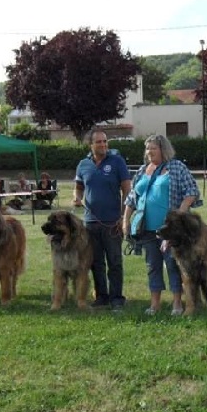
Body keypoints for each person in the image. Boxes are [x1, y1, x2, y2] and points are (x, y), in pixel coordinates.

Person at [122, 134, 202, 316]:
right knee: (152, 266)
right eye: (148, 148)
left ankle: (177, 304)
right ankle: (155, 304)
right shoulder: (143, 170)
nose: (149, 152)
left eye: (154, 148)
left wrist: (180, 213)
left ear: (163, 149)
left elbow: (192, 191)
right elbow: (132, 198)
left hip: (170, 230)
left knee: (173, 264)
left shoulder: (177, 167)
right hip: (147, 229)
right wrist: (126, 220)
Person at [74, 130, 132, 312]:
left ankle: (117, 298)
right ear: (90, 144)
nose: (103, 145)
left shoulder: (117, 162)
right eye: (99, 142)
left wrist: (123, 217)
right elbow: (78, 188)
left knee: (114, 261)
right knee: (96, 262)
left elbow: (127, 191)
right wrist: (76, 197)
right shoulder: (83, 165)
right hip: (90, 222)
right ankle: (101, 296)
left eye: (105, 141)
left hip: (112, 222)